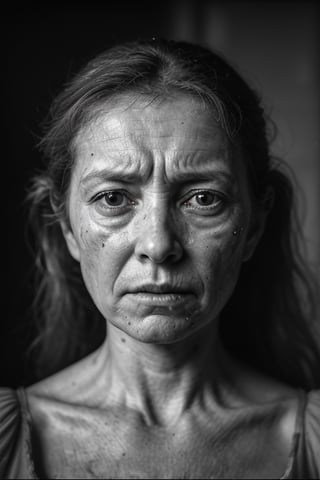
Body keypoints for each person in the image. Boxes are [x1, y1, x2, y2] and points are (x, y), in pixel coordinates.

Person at [1, 38, 319, 479]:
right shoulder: (10, 440)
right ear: (68, 227)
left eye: (203, 198)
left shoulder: (310, 442)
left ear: (255, 226)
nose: (158, 244)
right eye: (113, 197)